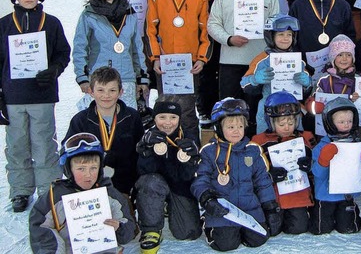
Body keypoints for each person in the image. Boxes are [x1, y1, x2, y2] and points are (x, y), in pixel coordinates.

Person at [154, 0, 238, 130]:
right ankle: (201, 111)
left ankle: (216, 111)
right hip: (189, 25)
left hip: (217, 25)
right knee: (197, 73)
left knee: (214, 71)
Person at [0, 0, 71, 212]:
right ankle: (20, 190)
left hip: (42, 95)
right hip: (13, 97)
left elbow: (63, 53)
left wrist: (54, 70)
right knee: (17, 144)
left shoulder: (51, 23)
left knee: (43, 144)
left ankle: (47, 188)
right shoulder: (4, 24)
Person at [191, 98, 281, 251]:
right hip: (223, 211)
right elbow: (200, 180)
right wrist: (207, 199)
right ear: (219, 128)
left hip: (249, 208)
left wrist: (270, 207)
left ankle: (242, 229)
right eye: (230, 126)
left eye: (240, 126)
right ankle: (211, 226)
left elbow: (262, 181)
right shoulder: (209, 151)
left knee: (259, 239)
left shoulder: (253, 150)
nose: (236, 130)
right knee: (226, 245)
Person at [207, 0, 281, 137]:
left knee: (255, 108)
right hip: (231, 60)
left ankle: (254, 144)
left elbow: (276, 25)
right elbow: (212, 23)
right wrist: (229, 39)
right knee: (230, 106)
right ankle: (228, 144)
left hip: (258, 61)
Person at [146, 0, 213, 145]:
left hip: (189, 65)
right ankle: (165, 150)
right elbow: (150, 30)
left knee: (187, 111)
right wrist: (155, 58)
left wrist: (202, 58)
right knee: (166, 109)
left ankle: (191, 153)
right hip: (165, 64)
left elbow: (205, 32)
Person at [29, 132, 136, 253]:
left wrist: (119, 228)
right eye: (81, 169)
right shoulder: (56, 196)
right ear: (69, 169)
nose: (88, 175)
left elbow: (128, 230)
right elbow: (40, 228)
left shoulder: (109, 194)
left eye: (93, 168)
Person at [63, 66, 144, 199]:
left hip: (124, 185)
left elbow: (140, 153)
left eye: (112, 90)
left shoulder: (132, 117)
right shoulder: (81, 120)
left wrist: (132, 186)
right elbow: (67, 155)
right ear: (91, 91)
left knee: (121, 217)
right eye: (100, 90)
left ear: (121, 92)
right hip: (91, 186)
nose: (106, 95)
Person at [73, 0, 148, 108]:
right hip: (99, 80)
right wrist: (82, 78)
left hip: (126, 78)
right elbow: (80, 48)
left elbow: (137, 48)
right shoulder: (89, 15)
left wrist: (141, 77)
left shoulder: (129, 12)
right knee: (99, 124)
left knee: (126, 123)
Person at [135, 100, 202, 253]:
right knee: (149, 182)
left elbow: (188, 177)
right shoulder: (148, 136)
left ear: (179, 119)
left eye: (173, 117)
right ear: (154, 118)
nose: (167, 123)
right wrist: (146, 152)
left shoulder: (188, 136)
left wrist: (191, 160)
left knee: (187, 233)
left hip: (180, 187)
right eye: (162, 117)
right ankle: (151, 229)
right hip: (156, 185)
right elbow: (143, 174)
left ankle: (170, 206)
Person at [251, 92, 316, 235]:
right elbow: (251, 171)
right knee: (271, 229)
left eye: (291, 123)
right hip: (271, 195)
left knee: (298, 228)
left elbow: (318, 165)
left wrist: (310, 165)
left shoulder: (306, 138)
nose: (287, 127)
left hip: (297, 194)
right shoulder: (259, 142)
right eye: (281, 123)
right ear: (271, 122)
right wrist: (269, 175)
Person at [310, 97, 361, 235]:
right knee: (321, 229)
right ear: (330, 123)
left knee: (349, 228)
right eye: (341, 122)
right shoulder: (322, 146)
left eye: (349, 121)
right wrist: (323, 161)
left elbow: (359, 176)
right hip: (325, 196)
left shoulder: (356, 146)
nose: (346, 125)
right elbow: (316, 174)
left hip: (346, 195)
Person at [241, 14, 311, 134]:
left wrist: (307, 83)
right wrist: (255, 80)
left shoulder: (298, 61)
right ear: (270, 37)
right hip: (267, 109)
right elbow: (244, 85)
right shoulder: (262, 60)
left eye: (289, 35)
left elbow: (307, 90)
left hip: (292, 109)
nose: (286, 38)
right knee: (267, 140)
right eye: (281, 34)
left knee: (295, 140)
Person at [114, 0, 155, 99]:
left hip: (144, 59)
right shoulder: (110, 5)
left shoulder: (149, 2)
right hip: (121, 60)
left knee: (142, 99)